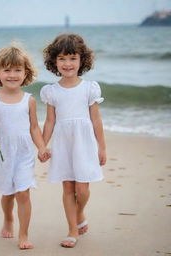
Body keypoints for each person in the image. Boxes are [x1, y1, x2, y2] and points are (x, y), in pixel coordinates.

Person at [40, 34, 107, 248]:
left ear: (82, 60)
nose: (67, 63)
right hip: (62, 143)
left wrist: (102, 147)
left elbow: (96, 120)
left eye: (72, 58)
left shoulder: (89, 88)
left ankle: (80, 213)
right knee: (68, 188)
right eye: (61, 58)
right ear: (54, 62)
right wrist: (42, 145)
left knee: (83, 189)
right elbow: (50, 122)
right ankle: (72, 230)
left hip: (84, 143)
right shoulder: (50, 91)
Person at [0, 46, 50, 249]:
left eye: (17, 70)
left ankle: (23, 234)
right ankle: (8, 218)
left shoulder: (28, 100)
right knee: (8, 193)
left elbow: (34, 128)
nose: (12, 75)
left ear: (26, 73)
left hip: (24, 153)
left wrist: (42, 147)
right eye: (7, 70)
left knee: (23, 192)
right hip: (2, 154)